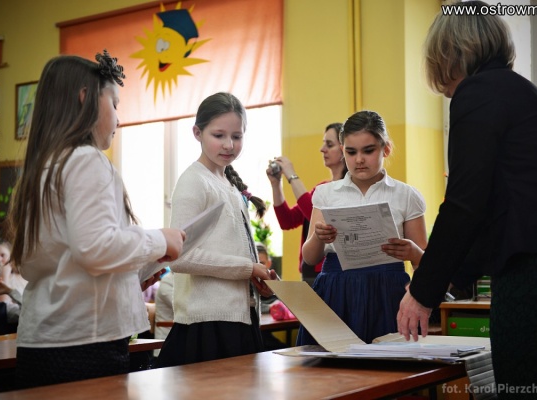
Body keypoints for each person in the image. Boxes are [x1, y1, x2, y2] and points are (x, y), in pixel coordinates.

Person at [397, 1, 537, 396]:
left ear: (449, 52)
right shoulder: (532, 97)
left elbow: (464, 205)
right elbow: (493, 207)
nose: (445, 89)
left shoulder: (478, 93)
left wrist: (421, 292)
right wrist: (450, 279)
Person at [5, 50, 185, 389]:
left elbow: (55, 263)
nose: (119, 119)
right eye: (114, 104)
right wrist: (160, 239)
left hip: (44, 340)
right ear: (85, 97)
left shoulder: (44, 167)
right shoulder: (85, 159)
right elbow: (95, 248)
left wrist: (135, 268)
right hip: (84, 343)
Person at [156, 92, 276, 367]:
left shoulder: (229, 185)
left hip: (241, 319)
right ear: (197, 133)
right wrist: (247, 268)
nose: (229, 145)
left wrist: (257, 281)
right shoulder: (193, 181)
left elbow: (231, 251)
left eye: (237, 136)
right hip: (208, 324)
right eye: (219, 135)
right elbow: (180, 258)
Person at [298, 110, 427, 345]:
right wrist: (318, 236)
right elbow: (309, 257)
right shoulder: (326, 193)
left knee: (390, 362)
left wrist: (413, 252)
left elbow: (425, 263)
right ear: (342, 151)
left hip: (388, 291)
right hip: (336, 291)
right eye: (351, 152)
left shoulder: (406, 195)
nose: (359, 159)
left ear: (385, 149)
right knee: (331, 363)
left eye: (368, 151)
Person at [267, 123, 347, 286]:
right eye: (324, 144)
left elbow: (313, 212)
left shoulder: (346, 190)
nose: (322, 149)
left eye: (329, 145)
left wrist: (291, 175)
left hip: (329, 269)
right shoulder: (321, 188)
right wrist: (276, 185)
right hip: (309, 270)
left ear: (344, 149)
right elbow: (287, 221)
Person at [256, 243, 286, 351]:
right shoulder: (247, 284)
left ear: (269, 263)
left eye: (262, 263)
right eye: (256, 264)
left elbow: (284, 300)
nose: (258, 268)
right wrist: (270, 307)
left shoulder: (273, 280)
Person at [0, 239, 27, 304]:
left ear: (11, 257)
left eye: (2, 255)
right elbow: (3, 304)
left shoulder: (20, 278)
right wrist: (4, 275)